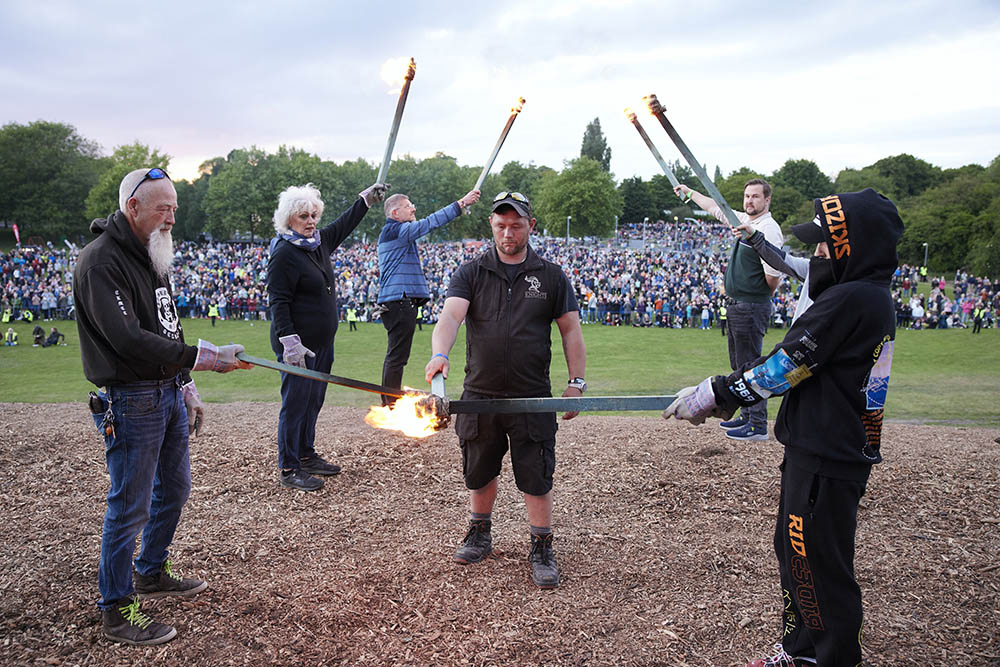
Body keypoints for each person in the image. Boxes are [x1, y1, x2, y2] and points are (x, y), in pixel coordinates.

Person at [663, 188, 903, 667]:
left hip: (827, 455)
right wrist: (755, 241)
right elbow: (793, 272)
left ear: (851, 247)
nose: (816, 252)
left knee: (818, 565)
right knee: (795, 554)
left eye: (824, 243)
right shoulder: (859, 292)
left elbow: (789, 363)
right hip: (820, 449)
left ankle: (831, 658)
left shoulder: (851, 299)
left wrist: (718, 392)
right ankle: (800, 650)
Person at [73, 167, 252, 646]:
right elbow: (129, 341)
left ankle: (150, 570)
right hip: (130, 399)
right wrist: (206, 358)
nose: (172, 217)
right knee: (128, 506)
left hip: (167, 392)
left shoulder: (152, 254)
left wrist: (187, 383)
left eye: (174, 207)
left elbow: (167, 329)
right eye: (163, 208)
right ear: (133, 207)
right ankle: (115, 607)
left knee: (174, 488)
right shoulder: (100, 263)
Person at [424, 191, 587, 590]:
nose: (508, 232)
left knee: (537, 473)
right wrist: (439, 353)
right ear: (491, 226)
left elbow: (571, 330)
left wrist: (576, 382)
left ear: (531, 226)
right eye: (501, 225)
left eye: (516, 225)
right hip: (481, 393)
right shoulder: (471, 272)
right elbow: (450, 315)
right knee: (478, 470)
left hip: (533, 394)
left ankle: (542, 546)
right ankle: (480, 533)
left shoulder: (550, 275)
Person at [267, 181, 387, 492]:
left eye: (313, 215)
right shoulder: (284, 253)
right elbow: (278, 300)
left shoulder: (317, 243)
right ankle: (289, 466)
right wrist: (288, 340)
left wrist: (366, 200)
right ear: (289, 220)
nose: (310, 222)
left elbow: (344, 224)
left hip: (322, 342)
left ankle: (306, 454)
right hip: (298, 345)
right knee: (295, 403)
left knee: (314, 401)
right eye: (303, 216)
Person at [675, 179, 783, 441]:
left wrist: (756, 295)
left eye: (755, 197)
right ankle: (747, 416)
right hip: (738, 304)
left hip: (750, 304)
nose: (749, 201)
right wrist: (690, 192)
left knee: (750, 364)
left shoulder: (768, 229)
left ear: (767, 201)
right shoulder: (744, 221)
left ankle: (757, 423)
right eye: (747, 196)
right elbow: (714, 206)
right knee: (739, 365)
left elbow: (773, 274)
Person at [376, 188, 480, 405]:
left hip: (398, 300)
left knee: (397, 355)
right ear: (395, 213)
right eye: (408, 205)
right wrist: (460, 204)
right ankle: (390, 404)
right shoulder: (398, 230)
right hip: (400, 300)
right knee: (397, 356)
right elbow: (430, 222)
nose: (413, 207)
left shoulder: (395, 232)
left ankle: (389, 400)